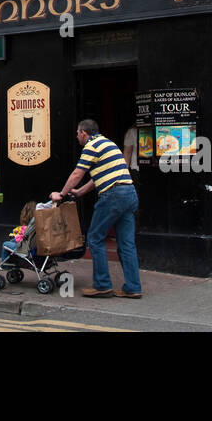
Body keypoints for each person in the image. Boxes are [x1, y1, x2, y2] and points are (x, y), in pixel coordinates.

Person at [51, 118, 142, 299]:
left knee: (94, 238)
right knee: (126, 244)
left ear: (84, 133)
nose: (77, 137)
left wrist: (61, 194)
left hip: (113, 195)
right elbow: (98, 176)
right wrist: (80, 192)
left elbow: (77, 174)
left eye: (77, 134)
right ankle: (133, 287)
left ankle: (102, 285)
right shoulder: (108, 143)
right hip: (129, 194)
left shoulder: (91, 146)